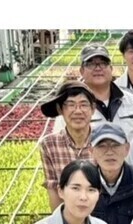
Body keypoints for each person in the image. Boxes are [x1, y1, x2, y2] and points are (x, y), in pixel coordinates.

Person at [51, 45, 133, 143]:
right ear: (81, 71)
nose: (98, 68)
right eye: (91, 64)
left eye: (103, 63)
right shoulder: (70, 108)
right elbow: (60, 143)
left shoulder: (131, 101)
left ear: (111, 69)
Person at [39, 81, 96, 211]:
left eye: (83, 104)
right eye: (71, 105)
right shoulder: (49, 144)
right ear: (60, 109)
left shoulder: (102, 141)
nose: (78, 111)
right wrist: (60, 221)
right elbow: (53, 188)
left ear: (93, 109)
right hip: (68, 215)